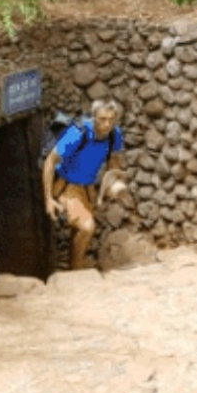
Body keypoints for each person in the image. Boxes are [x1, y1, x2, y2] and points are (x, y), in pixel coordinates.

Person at [42, 99, 127, 271]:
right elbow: (50, 162)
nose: (107, 124)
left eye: (111, 119)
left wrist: (111, 185)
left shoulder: (113, 135)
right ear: (94, 117)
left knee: (79, 230)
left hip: (88, 189)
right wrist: (48, 199)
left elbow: (114, 164)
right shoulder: (77, 133)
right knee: (87, 227)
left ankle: (73, 269)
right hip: (67, 187)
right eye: (103, 119)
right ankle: (77, 270)